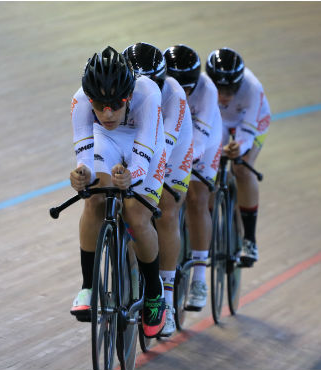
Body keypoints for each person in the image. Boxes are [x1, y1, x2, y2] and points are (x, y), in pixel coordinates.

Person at [69, 46, 166, 338]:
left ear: (129, 97)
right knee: (94, 198)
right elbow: (84, 157)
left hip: (143, 141)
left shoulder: (148, 94)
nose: (107, 112)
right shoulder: (79, 101)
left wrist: (132, 176)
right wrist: (81, 176)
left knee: (137, 215)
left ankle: (153, 291)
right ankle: (88, 287)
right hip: (108, 141)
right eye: (99, 105)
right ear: (90, 100)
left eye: (115, 104)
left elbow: (144, 155)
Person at [123, 42, 193, 336]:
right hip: (137, 136)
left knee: (164, 207)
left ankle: (166, 297)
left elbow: (160, 148)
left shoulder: (174, 95)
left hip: (171, 146)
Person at [164, 44, 222, 310]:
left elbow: (198, 142)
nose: (182, 95)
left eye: (188, 90)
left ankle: (199, 277)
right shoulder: (159, 88)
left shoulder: (207, 90)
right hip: (174, 142)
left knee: (198, 198)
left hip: (204, 142)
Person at [205, 47, 271, 266]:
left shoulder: (253, 88)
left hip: (252, 122)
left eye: (232, 88)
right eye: (220, 89)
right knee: (208, 170)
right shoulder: (203, 86)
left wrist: (239, 148)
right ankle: (208, 223)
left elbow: (248, 132)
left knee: (242, 168)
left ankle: (249, 239)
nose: (225, 95)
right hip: (221, 123)